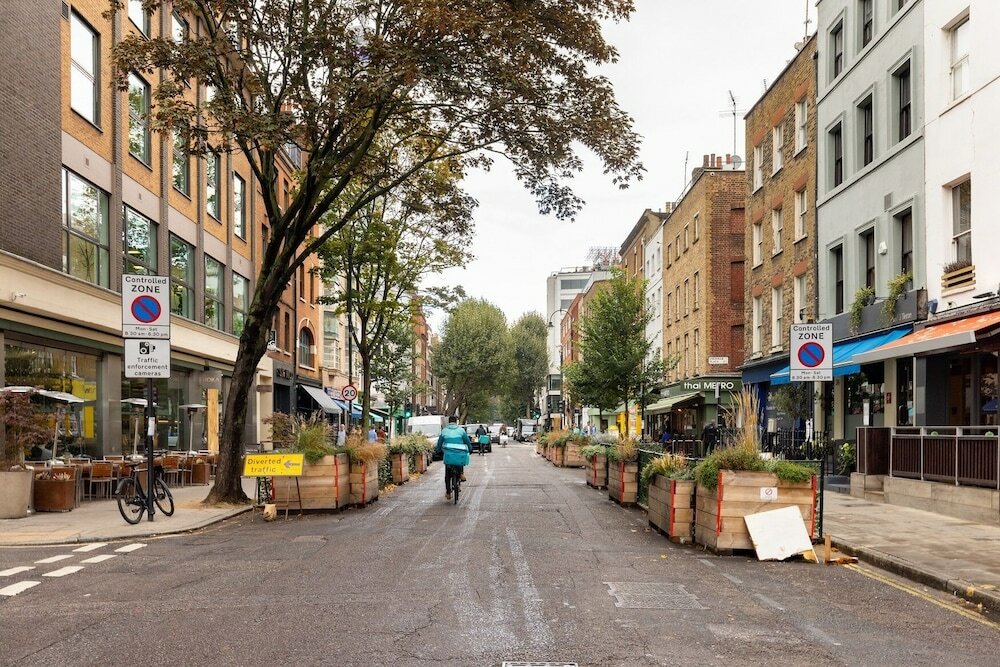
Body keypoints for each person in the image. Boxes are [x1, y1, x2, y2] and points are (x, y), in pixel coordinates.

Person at [435, 416, 472, 501]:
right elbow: (467, 441)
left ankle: (448, 492)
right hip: (459, 454)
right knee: (461, 459)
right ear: (456, 422)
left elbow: (439, 443)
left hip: (448, 455)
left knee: (447, 475)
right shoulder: (461, 430)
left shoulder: (444, 431)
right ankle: (461, 474)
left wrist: (438, 450)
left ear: (449, 422)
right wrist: (470, 449)